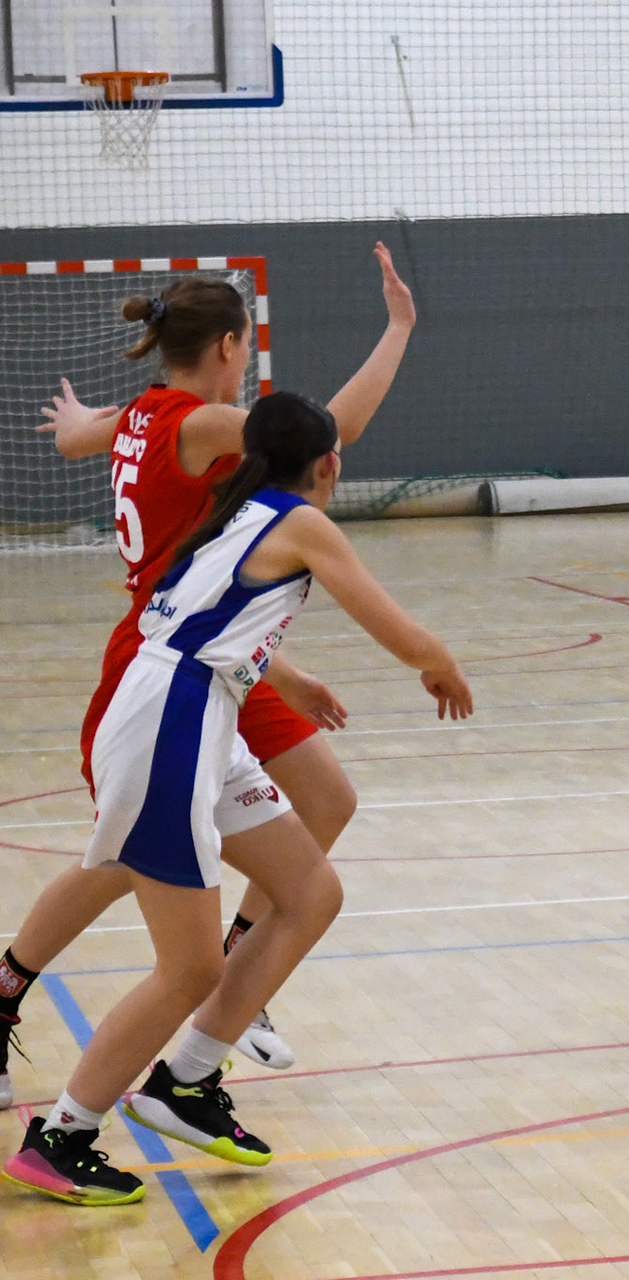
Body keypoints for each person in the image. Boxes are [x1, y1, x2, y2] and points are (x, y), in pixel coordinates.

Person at [2, 392, 472, 1207]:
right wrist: (441, 665)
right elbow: (395, 629)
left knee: (310, 891)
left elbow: (196, 621)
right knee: (190, 968)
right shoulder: (301, 521)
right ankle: (63, 1137)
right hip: (171, 721)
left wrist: (277, 673)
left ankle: (184, 1083)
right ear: (328, 464)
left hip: (194, 711)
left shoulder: (236, 511)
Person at [0, 246, 414, 1111]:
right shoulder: (207, 424)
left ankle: (237, 978)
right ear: (229, 346)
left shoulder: (145, 415)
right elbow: (327, 436)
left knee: (324, 802)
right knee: (127, 861)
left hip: (216, 651)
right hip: (165, 664)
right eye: (247, 348)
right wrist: (399, 330)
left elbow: (81, 437)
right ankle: (10, 989)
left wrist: (77, 421)